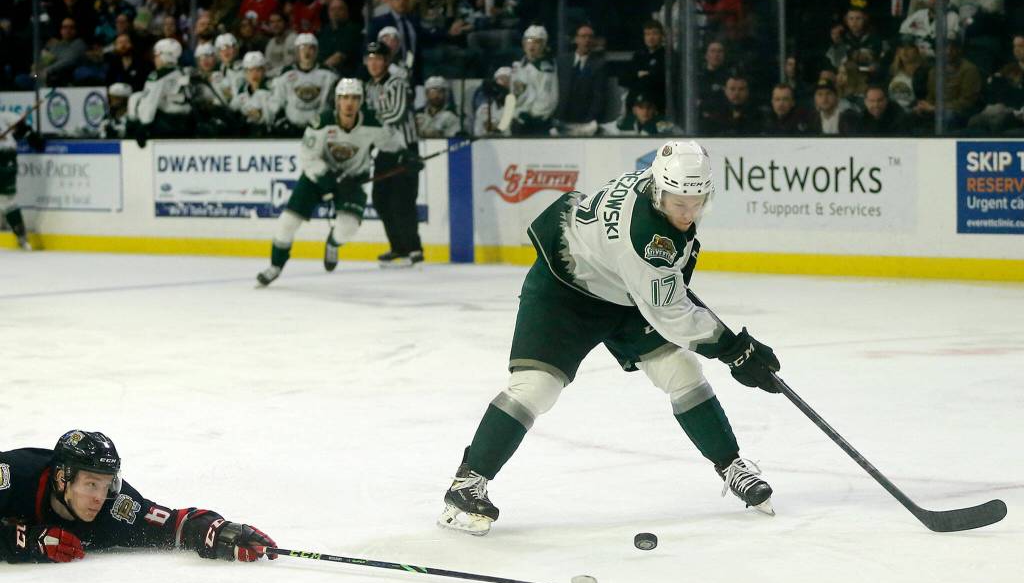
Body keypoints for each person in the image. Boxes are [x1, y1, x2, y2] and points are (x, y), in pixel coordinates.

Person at [438, 141, 781, 536]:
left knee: (680, 369)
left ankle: (731, 465)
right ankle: (467, 482)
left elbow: (662, 283)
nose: (687, 213)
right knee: (537, 387)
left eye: (696, 201)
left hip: (623, 291)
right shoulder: (646, 238)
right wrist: (736, 351)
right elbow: (672, 315)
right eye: (678, 203)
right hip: (564, 290)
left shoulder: (657, 194)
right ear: (657, 189)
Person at [1, 430, 277, 564]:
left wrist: (221, 531)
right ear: (62, 479)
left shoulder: (114, 506)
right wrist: (18, 542)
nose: (100, 497)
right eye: (91, 484)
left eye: (107, 484)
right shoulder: (12, 476)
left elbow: (173, 524)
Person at [256, 78, 394, 286]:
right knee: (287, 223)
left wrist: (405, 156)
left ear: (361, 101)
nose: (349, 103)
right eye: (345, 98)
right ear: (337, 101)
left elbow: (391, 143)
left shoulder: (373, 123)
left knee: (346, 229)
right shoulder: (322, 122)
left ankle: (333, 243)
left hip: (353, 180)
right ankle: (275, 266)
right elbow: (308, 157)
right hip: (317, 178)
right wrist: (331, 178)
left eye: (355, 98)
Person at [363, 41, 424, 267]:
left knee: (403, 201)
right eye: (370, 58)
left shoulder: (397, 83)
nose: (374, 63)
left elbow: (396, 114)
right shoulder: (369, 86)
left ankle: (414, 248)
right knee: (380, 200)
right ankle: (398, 247)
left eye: (378, 58)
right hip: (384, 150)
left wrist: (370, 120)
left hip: (404, 150)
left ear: (386, 61)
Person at [271, 33, 338, 137]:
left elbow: (335, 103)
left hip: (321, 129)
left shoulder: (329, 75)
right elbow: (278, 102)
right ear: (297, 52)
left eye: (311, 48)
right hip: (291, 129)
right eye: (302, 48)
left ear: (316, 51)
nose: (307, 52)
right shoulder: (285, 74)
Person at [126, 38, 193, 144]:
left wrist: (143, 125)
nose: (155, 59)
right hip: (186, 124)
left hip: (166, 126)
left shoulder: (159, 75)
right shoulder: (182, 72)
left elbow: (150, 101)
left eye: (157, 55)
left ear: (164, 55)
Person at [0, 110, 45, 250]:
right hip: (8, 157)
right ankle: (22, 237)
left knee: (7, 200)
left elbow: (21, 126)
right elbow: (20, 124)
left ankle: (21, 236)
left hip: (5, 157)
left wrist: (22, 128)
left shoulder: (3, 116)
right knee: (7, 201)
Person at [553, 23, 607, 137]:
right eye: (583, 36)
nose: (587, 40)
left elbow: (599, 95)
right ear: (576, 39)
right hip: (560, 119)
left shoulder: (599, 65)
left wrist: (590, 119)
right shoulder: (562, 62)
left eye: (590, 37)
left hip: (586, 123)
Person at [510, 24, 557, 135]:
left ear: (544, 45)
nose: (532, 46)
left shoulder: (548, 68)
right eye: (529, 41)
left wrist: (533, 116)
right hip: (519, 123)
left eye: (537, 42)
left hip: (539, 124)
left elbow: (549, 99)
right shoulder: (518, 67)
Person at [231, 51, 279, 136]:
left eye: (258, 70)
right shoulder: (242, 91)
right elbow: (232, 109)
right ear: (245, 73)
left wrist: (260, 115)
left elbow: (274, 115)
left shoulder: (272, 89)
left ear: (264, 71)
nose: (254, 74)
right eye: (250, 70)